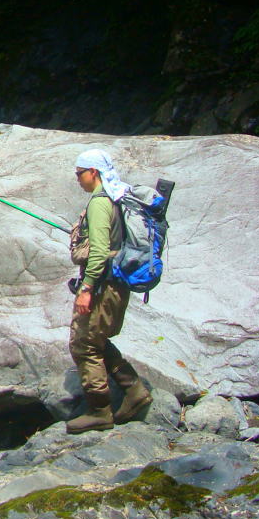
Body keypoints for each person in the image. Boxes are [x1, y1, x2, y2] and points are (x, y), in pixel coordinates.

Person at [66, 149, 152, 434]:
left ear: (94, 172)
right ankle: (134, 392)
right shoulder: (116, 197)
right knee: (97, 339)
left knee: (84, 344)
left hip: (103, 285)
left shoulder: (100, 203)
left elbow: (100, 251)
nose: (77, 179)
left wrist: (87, 288)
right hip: (116, 283)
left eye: (80, 173)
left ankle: (99, 411)